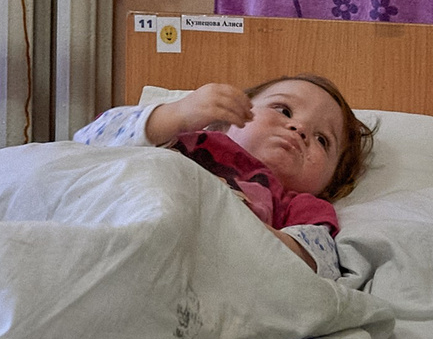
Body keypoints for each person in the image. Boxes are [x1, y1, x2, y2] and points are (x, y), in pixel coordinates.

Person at [76, 74, 370, 278]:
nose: (301, 129)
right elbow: (89, 144)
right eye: (283, 109)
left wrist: (235, 225)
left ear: (330, 182)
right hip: (108, 227)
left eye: (322, 140)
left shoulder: (300, 206)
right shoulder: (182, 137)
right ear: (231, 115)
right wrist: (177, 113)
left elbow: (320, 263)